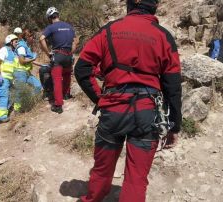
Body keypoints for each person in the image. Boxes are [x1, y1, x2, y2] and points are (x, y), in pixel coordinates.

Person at [74, 0, 182, 201]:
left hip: (113, 109)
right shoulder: (164, 36)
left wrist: (100, 99)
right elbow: (173, 86)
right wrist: (174, 125)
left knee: (101, 170)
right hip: (147, 113)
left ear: (129, 6)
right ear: (155, 7)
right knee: (136, 180)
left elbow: (81, 68)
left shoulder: (108, 30)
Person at [40, 7, 77, 114]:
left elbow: (41, 38)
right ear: (58, 15)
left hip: (58, 55)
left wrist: (48, 53)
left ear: (49, 18)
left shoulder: (51, 27)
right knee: (66, 76)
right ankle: (66, 94)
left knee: (57, 80)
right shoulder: (69, 26)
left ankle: (58, 105)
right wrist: (71, 52)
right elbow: (75, 41)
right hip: (68, 55)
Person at [13, 28, 43, 111]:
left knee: (38, 86)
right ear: (27, 37)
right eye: (31, 37)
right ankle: (17, 110)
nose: (33, 39)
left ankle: (29, 102)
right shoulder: (22, 47)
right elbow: (22, 61)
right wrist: (33, 59)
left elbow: (29, 60)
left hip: (26, 72)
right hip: (19, 72)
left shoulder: (26, 46)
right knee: (19, 91)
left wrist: (43, 65)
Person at [0, 34, 19, 123]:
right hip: (4, 77)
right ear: (10, 42)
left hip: (12, 78)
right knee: (3, 96)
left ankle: (17, 111)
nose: (17, 43)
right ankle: (0, 116)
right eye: (16, 42)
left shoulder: (14, 52)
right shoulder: (4, 50)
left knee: (16, 94)